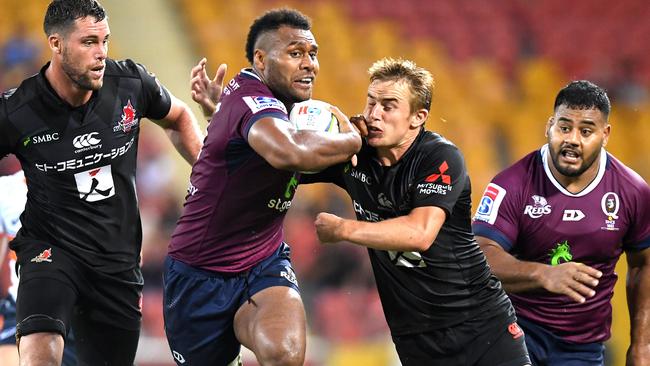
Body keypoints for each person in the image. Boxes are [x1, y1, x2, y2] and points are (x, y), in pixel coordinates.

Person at [0, 0, 208, 364]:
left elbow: (177, 117)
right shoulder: (18, 111)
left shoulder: (130, 83)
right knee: (41, 348)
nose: (101, 54)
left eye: (105, 41)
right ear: (56, 44)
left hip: (117, 261)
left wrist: (209, 177)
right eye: (89, 42)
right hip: (50, 249)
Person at [298, 58, 530, 365]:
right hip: (415, 340)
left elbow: (420, 233)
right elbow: (283, 165)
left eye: (388, 105)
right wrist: (328, 141)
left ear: (417, 116)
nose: (375, 114)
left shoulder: (440, 157)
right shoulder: (353, 155)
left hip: (480, 326)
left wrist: (343, 229)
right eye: (371, 103)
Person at [163, 8, 361, 366]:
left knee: (283, 355)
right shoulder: (252, 99)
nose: (309, 65)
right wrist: (352, 140)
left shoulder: (274, 107)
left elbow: (234, 164)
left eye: (312, 54)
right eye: (295, 53)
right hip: (198, 274)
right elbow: (289, 152)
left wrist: (218, 116)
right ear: (261, 58)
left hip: (262, 261)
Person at [472, 80, 650, 365]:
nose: (573, 139)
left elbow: (643, 264)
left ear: (605, 135)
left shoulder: (632, 191)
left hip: (581, 348)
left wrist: (641, 346)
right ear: (549, 126)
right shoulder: (512, 184)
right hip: (513, 332)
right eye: (564, 127)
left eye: (586, 131)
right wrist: (543, 274)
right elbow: (479, 254)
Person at [0, 171, 77, 366]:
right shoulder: (7, 190)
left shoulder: (89, 183)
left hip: (82, 313)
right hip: (22, 312)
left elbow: (131, 254)